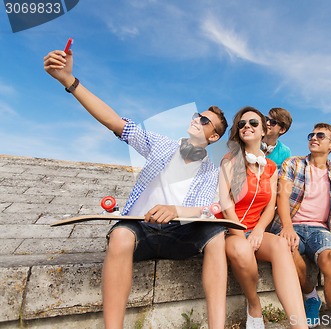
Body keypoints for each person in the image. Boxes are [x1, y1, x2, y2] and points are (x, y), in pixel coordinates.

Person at [43, 49, 229, 329]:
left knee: (216, 236)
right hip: (141, 226)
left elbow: (203, 208)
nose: (196, 120)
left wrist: (175, 210)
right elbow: (114, 121)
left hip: (180, 234)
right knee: (119, 236)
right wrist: (69, 81)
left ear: (214, 136)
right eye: (196, 115)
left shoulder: (209, 171)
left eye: (204, 121)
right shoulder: (161, 145)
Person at [217, 106, 307, 329]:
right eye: (241, 124)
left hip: (254, 230)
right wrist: (241, 235)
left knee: (280, 245)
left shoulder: (271, 167)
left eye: (253, 123)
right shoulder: (230, 160)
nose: (246, 126)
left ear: (263, 130)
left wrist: (258, 231)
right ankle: (254, 305)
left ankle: (299, 324)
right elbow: (226, 205)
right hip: (229, 230)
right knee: (241, 249)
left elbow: (270, 206)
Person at [271, 123, 331, 328]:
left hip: (320, 230)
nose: (313, 138)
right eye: (311, 134)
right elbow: (283, 196)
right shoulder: (293, 164)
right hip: (292, 224)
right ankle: (310, 295)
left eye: (320, 136)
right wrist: (287, 227)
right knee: (286, 247)